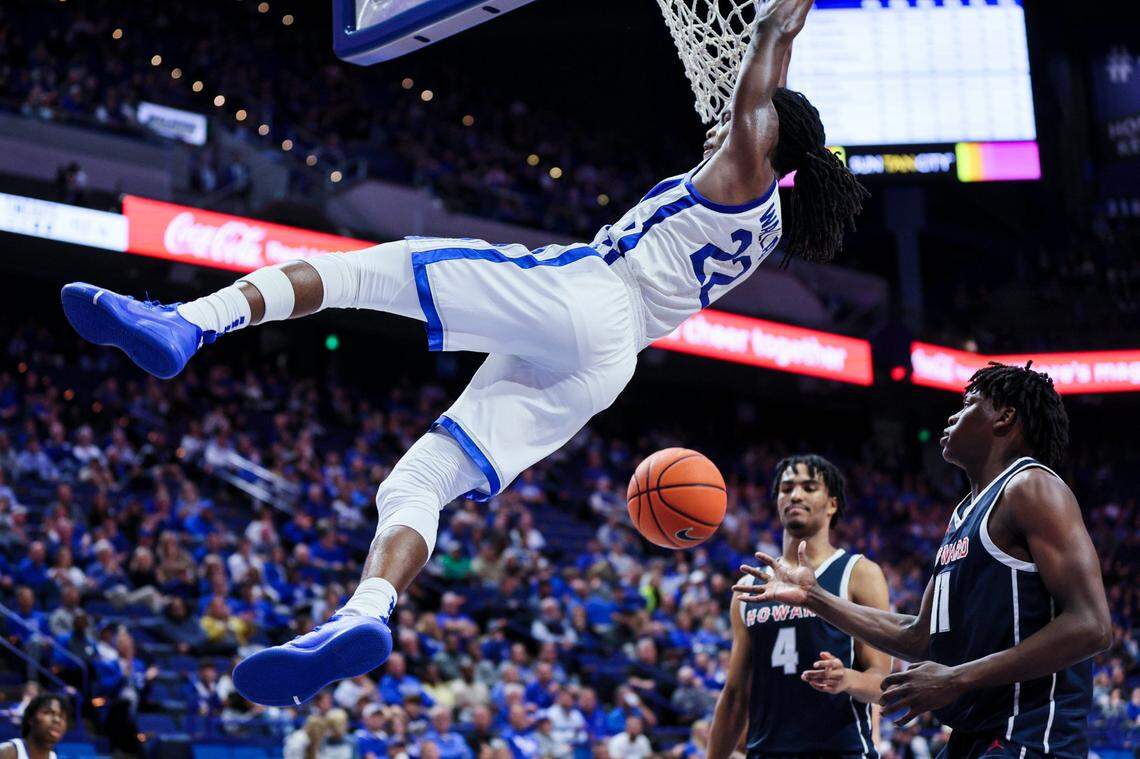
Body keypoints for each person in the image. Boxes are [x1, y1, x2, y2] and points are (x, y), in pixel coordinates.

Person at [60, 0, 864, 708]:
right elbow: (770, 90)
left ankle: (189, 323)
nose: (735, 107)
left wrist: (776, 20)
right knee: (419, 479)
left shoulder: (745, 165)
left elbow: (764, 65)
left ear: (770, 132)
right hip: (608, 366)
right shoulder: (765, 223)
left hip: (591, 296)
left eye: (754, 110)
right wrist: (776, 53)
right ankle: (364, 613)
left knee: (365, 271)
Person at [735, 363, 1112, 758]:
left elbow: (1092, 626)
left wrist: (956, 678)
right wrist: (815, 598)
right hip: (975, 735)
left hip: (1029, 735)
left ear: (1005, 417)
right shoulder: (965, 514)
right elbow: (920, 637)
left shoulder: (1032, 486)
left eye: (969, 404)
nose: (952, 415)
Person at [708, 455, 890, 759]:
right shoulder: (749, 588)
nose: (795, 494)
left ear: (832, 504)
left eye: (809, 487)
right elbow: (735, 696)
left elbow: (883, 684)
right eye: (787, 487)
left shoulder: (859, 573)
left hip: (841, 752)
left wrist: (846, 678)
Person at [0, 693, 67, 759]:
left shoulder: (54, 756)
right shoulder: (7, 752)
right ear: (31, 718)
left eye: (62, 716)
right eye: (48, 712)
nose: (57, 720)